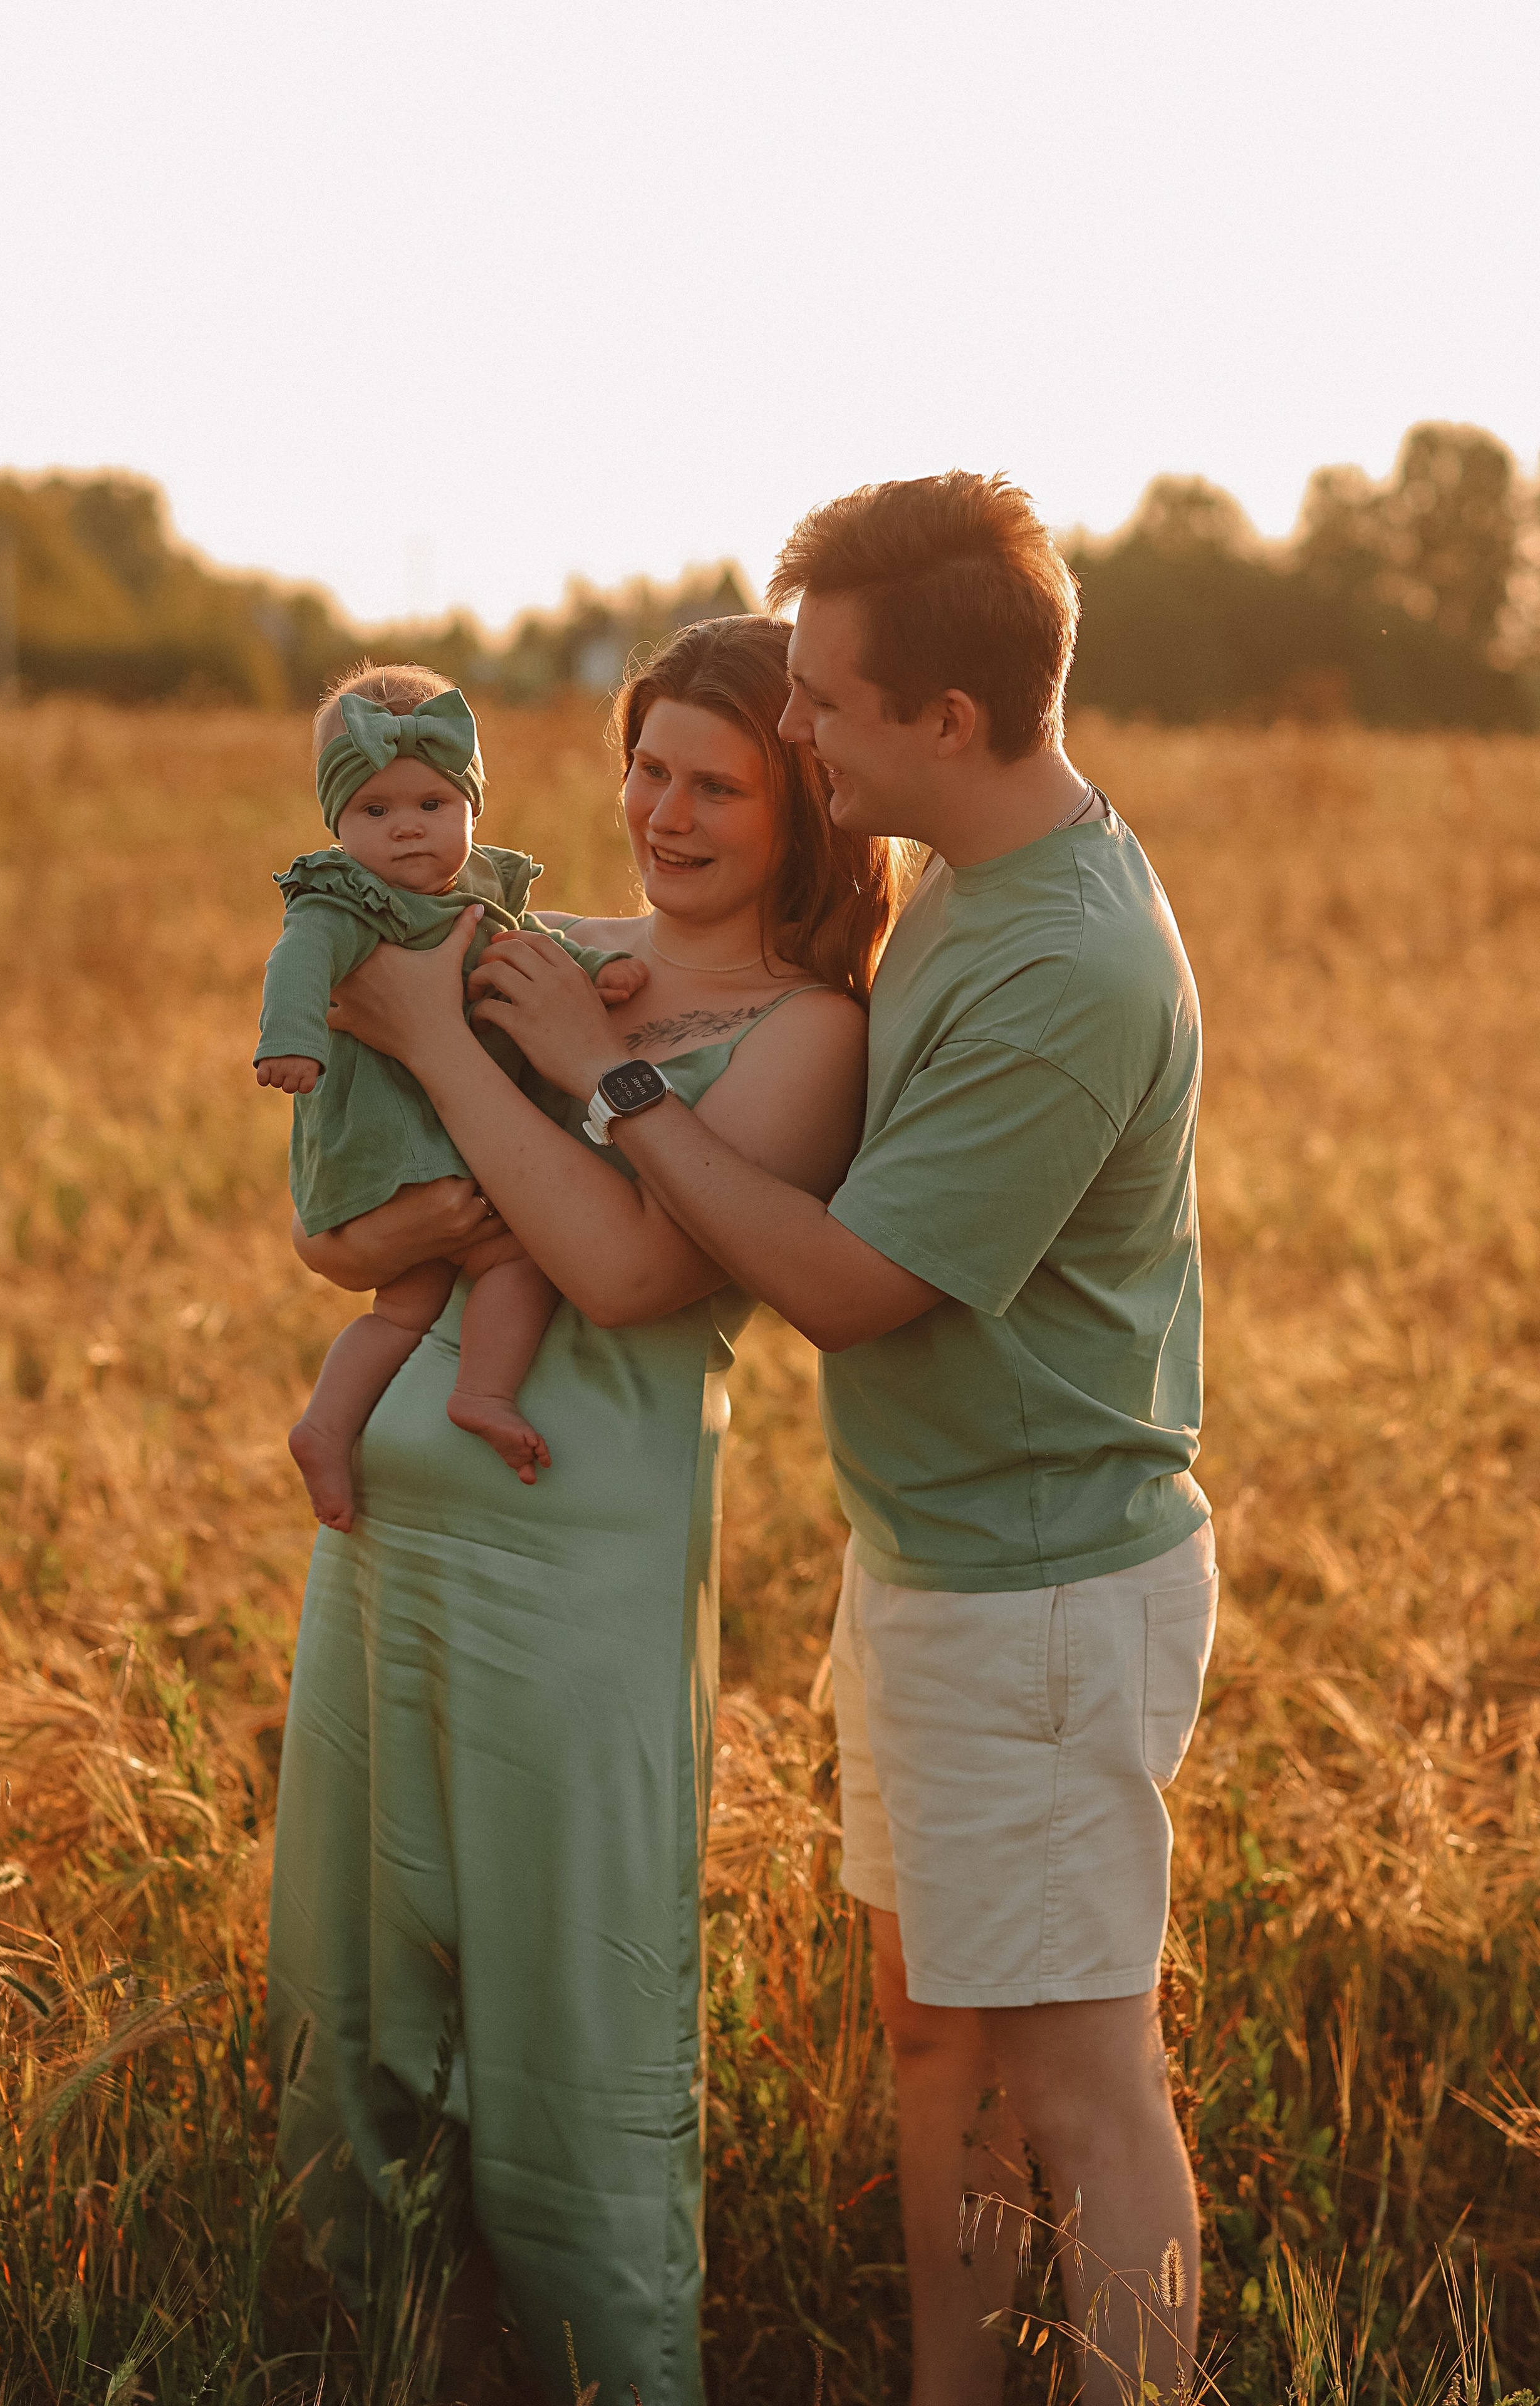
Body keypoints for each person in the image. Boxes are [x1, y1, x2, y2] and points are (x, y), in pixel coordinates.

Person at [462, 474, 1214, 2406]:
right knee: (941, 2052)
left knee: (1077, 2079)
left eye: (821, 701)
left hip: (1042, 1596)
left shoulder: (1067, 965)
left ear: (943, 722)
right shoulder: (974, 872)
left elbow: (854, 1287)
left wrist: (611, 1081)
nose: (789, 731)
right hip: (944, 1565)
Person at [266, 616, 899, 2406]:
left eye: (721, 783)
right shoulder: (527, 942)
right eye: (648, 767)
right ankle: (363, 2366)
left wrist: (466, 1049)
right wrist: (389, 1209)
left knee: (572, 2022)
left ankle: (598, 2375)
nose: (666, 814)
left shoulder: (809, 1034)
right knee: (355, 1996)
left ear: (804, 814)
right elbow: (334, 1222)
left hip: (578, 1560)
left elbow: (625, 1274)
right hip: (386, 1530)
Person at [256, 664, 649, 1524]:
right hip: (381, 1138)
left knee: (425, 1297)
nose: (406, 832)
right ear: (336, 822)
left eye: (432, 806)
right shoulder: (338, 899)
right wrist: (292, 1041)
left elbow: (529, 949)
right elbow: (298, 966)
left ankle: (355, 1419)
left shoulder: (486, 896)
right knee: (494, 1259)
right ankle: (455, 1395)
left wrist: (597, 971)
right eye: (376, 811)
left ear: (472, 808)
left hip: (454, 1142)